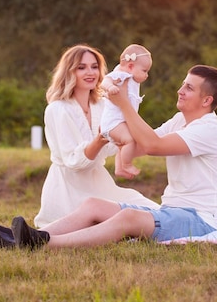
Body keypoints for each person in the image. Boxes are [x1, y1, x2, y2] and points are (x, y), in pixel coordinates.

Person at [0, 64, 217, 249]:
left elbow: (153, 145)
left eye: (189, 88)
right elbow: (139, 146)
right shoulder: (181, 120)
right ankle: (13, 239)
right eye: (183, 84)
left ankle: (44, 243)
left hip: (202, 220)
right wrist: (118, 129)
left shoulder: (210, 130)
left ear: (206, 100)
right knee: (93, 205)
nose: (180, 90)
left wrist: (124, 105)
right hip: (173, 212)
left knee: (128, 218)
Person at [31, 45, 160, 229]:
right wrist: (100, 139)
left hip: (99, 183)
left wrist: (123, 133)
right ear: (69, 72)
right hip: (69, 189)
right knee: (99, 222)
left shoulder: (102, 105)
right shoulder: (58, 109)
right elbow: (73, 162)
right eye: (81, 67)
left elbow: (111, 148)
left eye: (94, 66)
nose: (90, 72)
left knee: (150, 210)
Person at [100, 44, 152, 179]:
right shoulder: (121, 75)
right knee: (129, 141)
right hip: (113, 123)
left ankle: (120, 169)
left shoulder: (131, 77)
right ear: (130, 67)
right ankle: (126, 164)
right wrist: (110, 87)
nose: (146, 75)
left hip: (119, 122)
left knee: (124, 145)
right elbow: (104, 81)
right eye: (145, 71)